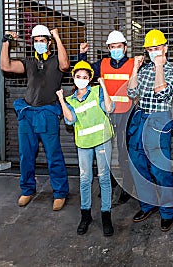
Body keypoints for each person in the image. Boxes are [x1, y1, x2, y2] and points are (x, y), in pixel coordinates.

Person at [0, 25, 70, 211]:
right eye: (36, 41)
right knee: (26, 155)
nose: (39, 43)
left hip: (47, 113)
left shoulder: (55, 61)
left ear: (48, 43)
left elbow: (65, 65)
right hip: (28, 114)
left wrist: (57, 36)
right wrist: (6, 42)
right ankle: (27, 189)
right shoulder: (29, 62)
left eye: (42, 40)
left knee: (53, 155)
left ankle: (60, 192)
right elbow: (5, 66)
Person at [56, 61, 115, 236]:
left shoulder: (97, 92)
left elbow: (109, 108)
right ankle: (85, 215)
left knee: (104, 178)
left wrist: (104, 86)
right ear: (74, 79)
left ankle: (106, 216)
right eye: (78, 77)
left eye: (85, 77)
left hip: (103, 140)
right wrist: (60, 99)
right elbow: (70, 120)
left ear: (90, 79)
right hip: (83, 144)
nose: (81, 80)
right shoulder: (70, 100)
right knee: (84, 179)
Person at [127, 29, 173, 232]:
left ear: (165, 48)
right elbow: (132, 91)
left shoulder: (172, 70)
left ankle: (167, 211)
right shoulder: (144, 69)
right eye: (150, 49)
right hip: (140, 118)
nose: (153, 52)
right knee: (138, 165)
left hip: (159, 120)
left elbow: (163, 93)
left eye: (157, 48)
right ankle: (147, 205)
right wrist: (134, 69)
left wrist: (159, 67)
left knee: (160, 169)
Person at [79, 30, 134, 204]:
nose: (115, 49)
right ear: (108, 48)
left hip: (127, 114)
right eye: (112, 47)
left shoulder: (134, 64)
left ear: (125, 48)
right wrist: (82, 54)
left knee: (124, 153)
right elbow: (83, 73)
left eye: (118, 46)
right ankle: (109, 183)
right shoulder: (101, 64)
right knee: (105, 153)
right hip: (106, 114)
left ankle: (127, 186)